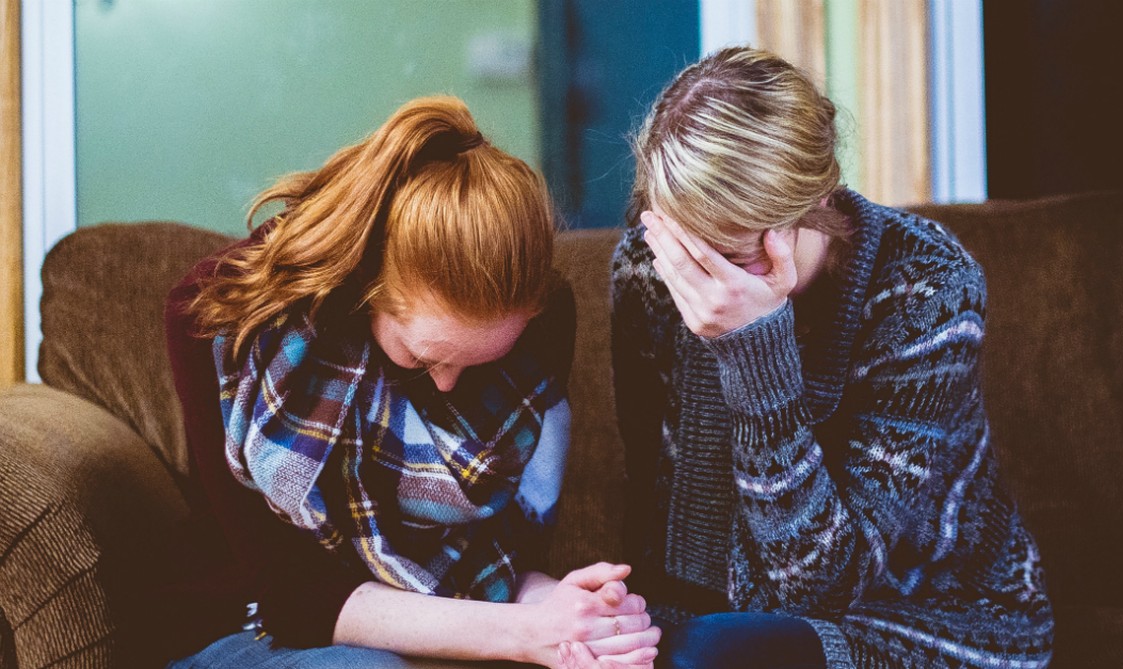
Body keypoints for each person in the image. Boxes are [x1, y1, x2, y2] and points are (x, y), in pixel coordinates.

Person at [164, 96, 660, 668]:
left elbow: (501, 562)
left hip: (446, 622)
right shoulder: (221, 318)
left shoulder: (541, 326)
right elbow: (294, 598)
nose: (448, 386)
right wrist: (525, 634)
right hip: (251, 626)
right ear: (367, 286)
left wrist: (570, 614)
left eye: (478, 363)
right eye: (425, 359)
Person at [610, 48, 1054, 669]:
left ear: (812, 205)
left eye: (732, 258)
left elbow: (822, 588)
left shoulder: (928, 288)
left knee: (709, 652)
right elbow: (656, 515)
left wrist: (755, 353)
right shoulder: (649, 270)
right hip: (723, 619)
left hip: (930, 613)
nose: (699, 281)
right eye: (682, 246)